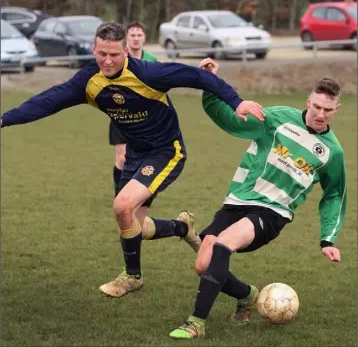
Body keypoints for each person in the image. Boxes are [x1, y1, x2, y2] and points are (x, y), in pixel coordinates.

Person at [0, 24, 265, 299]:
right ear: (93, 49)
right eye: (101, 53)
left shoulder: (148, 73)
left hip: (166, 151)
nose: (107, 60)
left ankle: (132, 277)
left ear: (126, 51)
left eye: (114, 54)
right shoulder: (88, 81)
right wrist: (4, 119)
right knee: (131, 224)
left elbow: (196, 76)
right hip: (136, 155)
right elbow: (47, 101)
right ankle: (183, 228)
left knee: (121, 205)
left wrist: (236, 102)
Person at [169, 58, 346, 339]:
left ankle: (195, 322)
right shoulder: (276, 119)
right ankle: (247, 295)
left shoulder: (332, 153)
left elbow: (334, 195)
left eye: (327, 110)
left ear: (336, 110)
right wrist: (209, 85)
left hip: (272, 213)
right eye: (316, 106)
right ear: (308, 100)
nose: (320, 114)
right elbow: (226, 119)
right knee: (202, 265)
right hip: (238, 201)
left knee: (222, 246)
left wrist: (328, 239)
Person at [110, 21, 157, 197]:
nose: (136, 39)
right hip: (121, 115)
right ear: (126, 38)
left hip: (144, 118)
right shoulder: (118, 58)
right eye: (132, 35)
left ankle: (136, 194)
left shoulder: (152, 60)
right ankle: (119, 194)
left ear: (144, 38)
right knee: (122, 159)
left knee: (142, 159)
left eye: (139, 35)